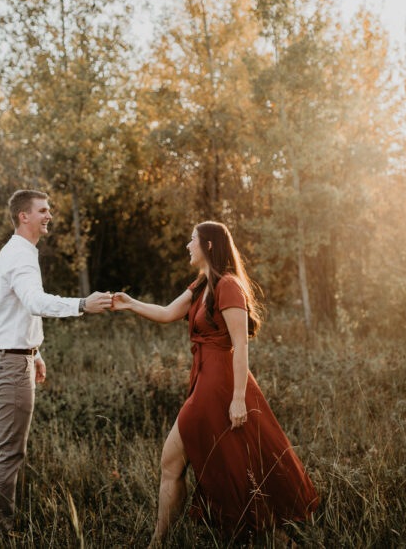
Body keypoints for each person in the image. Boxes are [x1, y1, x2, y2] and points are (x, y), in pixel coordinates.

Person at [112, 220, 319, 545]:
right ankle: (164, 540)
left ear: (209, 245)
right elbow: (167, 313)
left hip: (220, 384)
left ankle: (162, 542)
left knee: (179, 459)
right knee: (223, 460)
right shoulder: (201, 285)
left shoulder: (228, 286)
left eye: (192, 240)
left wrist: (238, 398)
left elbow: (240, 345)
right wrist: (129, 303)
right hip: (204, 379)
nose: (187, 246)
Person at [0, 189, 112, 533]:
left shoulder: (19, 252)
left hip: (7, 356)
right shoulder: (20, 255)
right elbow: (36, 302)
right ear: (24, 216)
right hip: (9, 365)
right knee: (9, 451)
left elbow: (20, 310)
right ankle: (0, 527)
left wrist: (35, 353)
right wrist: (83, 304)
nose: (49, 215)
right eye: (43, 210)